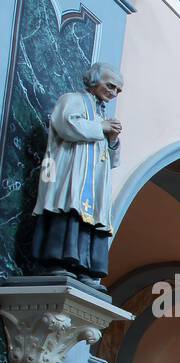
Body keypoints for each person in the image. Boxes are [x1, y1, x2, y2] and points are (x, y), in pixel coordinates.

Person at [31, 63, 124, 289]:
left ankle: (85, 268)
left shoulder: (102, 116)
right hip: (69, 172)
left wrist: (112, 140)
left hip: (93, 182)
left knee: (92, 217)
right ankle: (57, 261)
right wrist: (100, 127)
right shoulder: (73, 100)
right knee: (69, 207)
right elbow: (65, 125)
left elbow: (112, 161)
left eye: (118, 90)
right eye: (110, 86)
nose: (113, 93)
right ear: (93, 81)